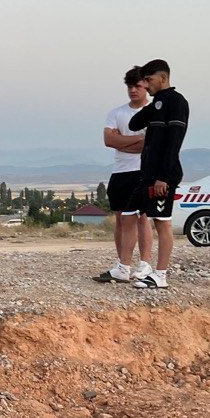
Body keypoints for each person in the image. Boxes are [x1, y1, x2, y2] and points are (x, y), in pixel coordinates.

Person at [127, 59, 189, 289]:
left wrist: (164, 176)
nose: (146, 86)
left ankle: (161, 274)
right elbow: (134, 124)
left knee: (162, 223)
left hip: (164, 175)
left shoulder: (177, 102)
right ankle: (141, 267)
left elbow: (174, 142)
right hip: (147, 173)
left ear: (163, 78)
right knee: (134, 216)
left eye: (149, 81)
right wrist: (150, 106)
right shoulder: (157, 104)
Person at [94, 66, 155, 283]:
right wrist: (138, 139)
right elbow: (109, 141)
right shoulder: (116, 113)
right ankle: (123, 265)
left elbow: (150, 145)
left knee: (142, 218)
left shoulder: (153, 112)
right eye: (130, 86)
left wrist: (125, 142)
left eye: (137, 86)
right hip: (120, 171)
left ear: (146, 86)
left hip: (143, 170)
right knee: (121, 219)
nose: (133, 90)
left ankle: (145, 264)